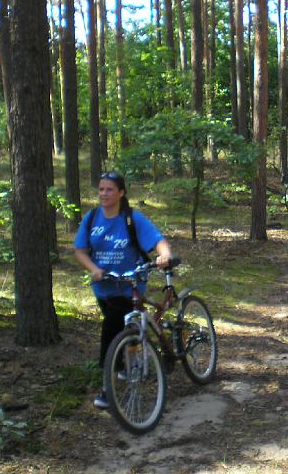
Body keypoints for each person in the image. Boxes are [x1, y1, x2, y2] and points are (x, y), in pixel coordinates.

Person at [74, 171, 173, 409]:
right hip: (103, 286)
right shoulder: (92, 218)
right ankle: (128, 362)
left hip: (130, 285)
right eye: (101, 189)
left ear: (121, 193)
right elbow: (80, 251)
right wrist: (94, 269)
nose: (104, 194)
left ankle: (108, 386)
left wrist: (164, 255)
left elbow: (158, 241)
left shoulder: (131, 218)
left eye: (109, 189)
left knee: (111, 329)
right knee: (122, 328)